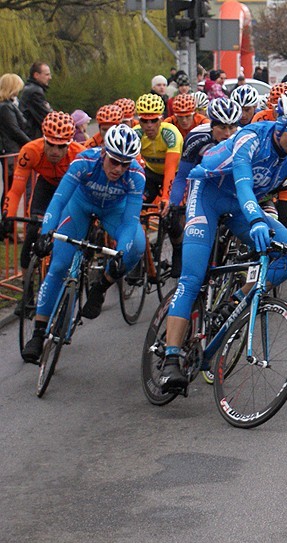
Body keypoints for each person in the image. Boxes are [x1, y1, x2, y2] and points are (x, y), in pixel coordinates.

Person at [157, 92, 287, 394]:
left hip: (243, 204)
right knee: (192, 276)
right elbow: (242, 182)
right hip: (209, 195)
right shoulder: (251, 138)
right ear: (280, 126)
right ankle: (171, 358)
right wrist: (255, 220)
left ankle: (234, 301)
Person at [21, 125, 145, 362]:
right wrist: (47, 232)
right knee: (59, 266)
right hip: (79, 206)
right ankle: (38, 333)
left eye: (125, 164)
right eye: (114, 161)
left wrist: (121, 252)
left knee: (136, 246)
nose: (119, 169)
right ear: (103, 153)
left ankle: (100, 287)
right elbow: (59, 200)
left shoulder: (136, 176)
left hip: (114, 212)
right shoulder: (84, 162)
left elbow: (130, 221)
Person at [166, 97, 243, 277]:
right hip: (203, 190)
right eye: (222, 127)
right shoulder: (196, 138)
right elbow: (183, 176)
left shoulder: (243, 137)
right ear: (212, 126)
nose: (228, 133)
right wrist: (174, 203)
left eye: (232, 127)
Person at [2, 112, 84, 269]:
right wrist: (8, 216)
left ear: (70, 144)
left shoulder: (79, 154)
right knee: (33, 229)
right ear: (43, 138)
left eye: (61, 147)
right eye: (50, 144)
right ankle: (27, 283)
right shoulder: (30, 151)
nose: (55, 151)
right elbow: (15, 190)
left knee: (72, 230)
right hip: (45, 185)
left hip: (72, 189)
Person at [132, 93, 183, 209]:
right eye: (144, 121)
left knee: (174, 209)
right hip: (152, 173)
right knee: (138, 203)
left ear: (161, 120)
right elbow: (133, 166)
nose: (149, 125)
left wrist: (166, 197)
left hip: (176, 173)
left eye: (154, 120)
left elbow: (170, 168)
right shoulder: (135, 134)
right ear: (139, 121)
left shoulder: (170, 133)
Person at [0, 73, 31, 164]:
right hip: (12, 152)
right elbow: (14, 130)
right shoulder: (6, 107)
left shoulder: (8, 105)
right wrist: (32, 144)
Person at [18, 62, 52, 140]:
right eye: (47, 75)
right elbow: (46, 116)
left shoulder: (30, 88)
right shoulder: (35, 91)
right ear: (36, 75)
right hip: (33, 135)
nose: (50, 77)